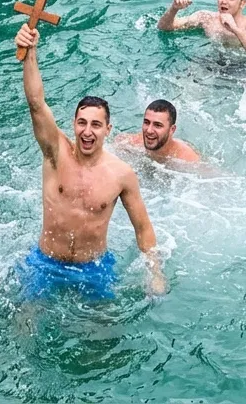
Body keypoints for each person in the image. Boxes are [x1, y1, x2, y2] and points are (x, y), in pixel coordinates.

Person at [14, 21, 165, 299]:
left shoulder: (121, 174)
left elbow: (143, 228)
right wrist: (30, 52)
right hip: (45, 262)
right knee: (24, 323)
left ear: (108, 129)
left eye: (96, 125)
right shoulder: (56, 153)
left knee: (104, 333)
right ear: (73, 124)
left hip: (94, 268)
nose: (87, 131)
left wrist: (154, 272)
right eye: (81, 123)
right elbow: (36, 103)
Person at [116, 99, 200, 165]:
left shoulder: (188, 160)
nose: (149, 130)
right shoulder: (131, 143)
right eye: (146, 122)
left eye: (158, 125)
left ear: (172, 130)